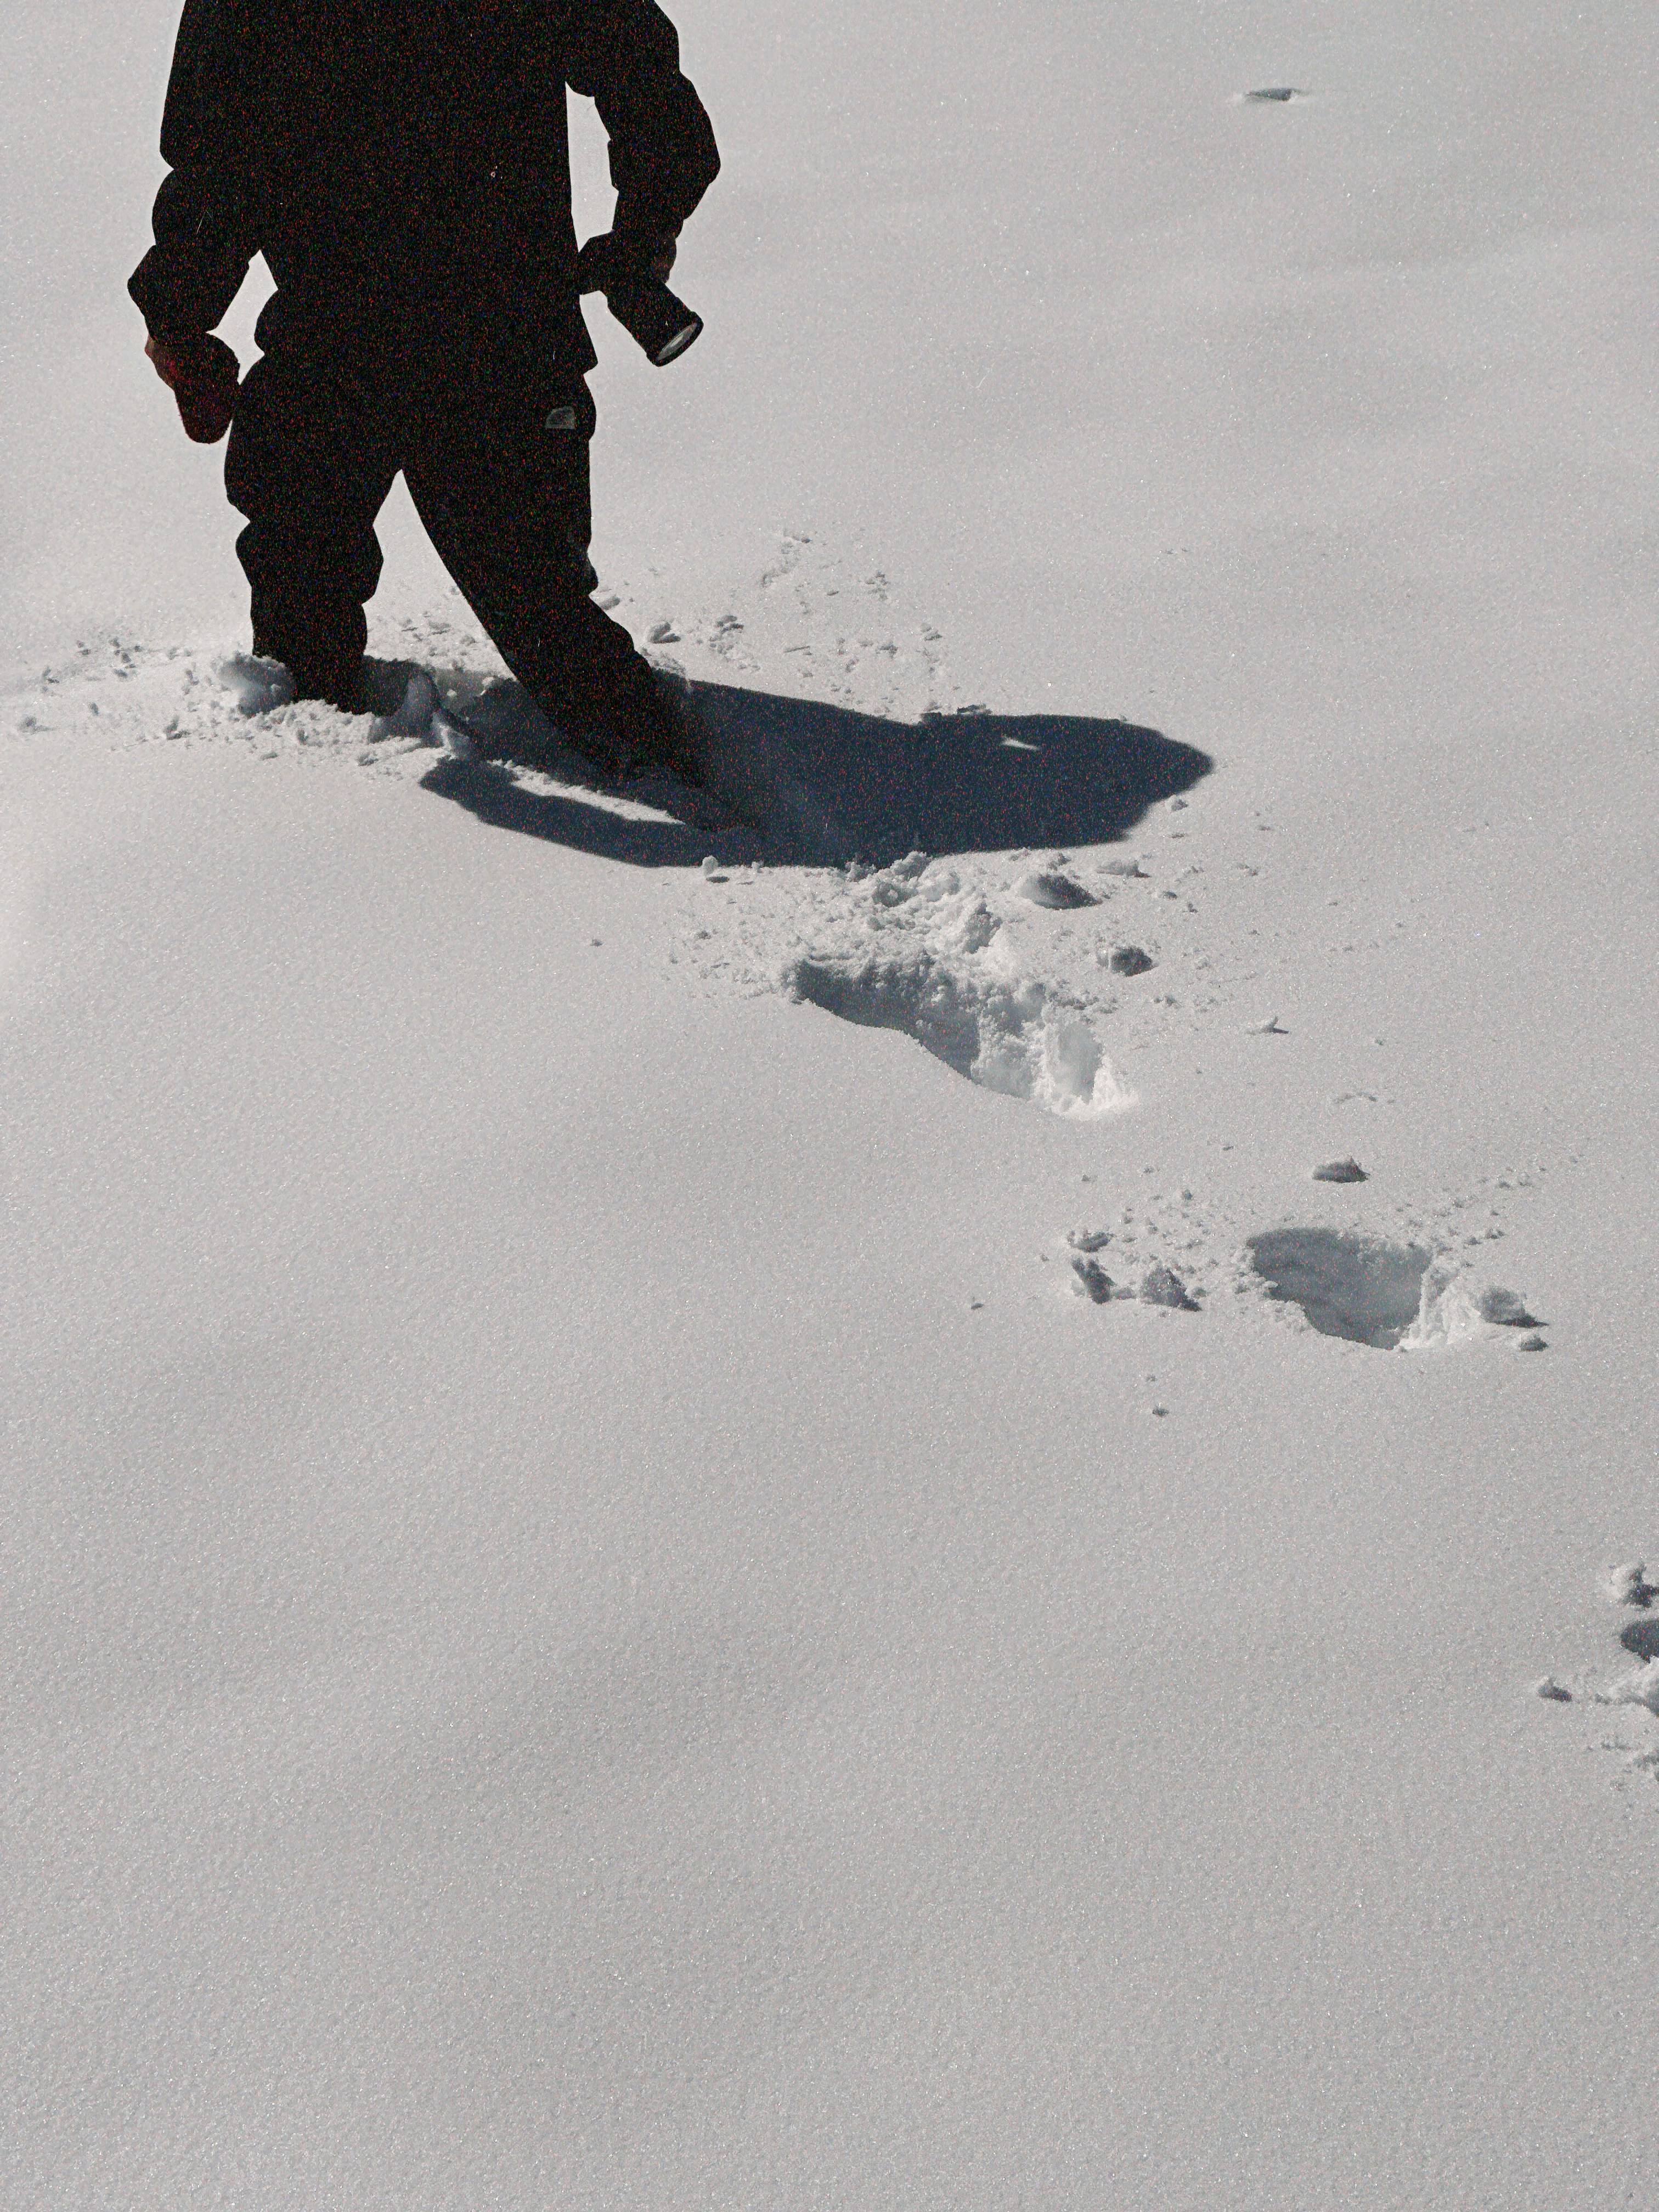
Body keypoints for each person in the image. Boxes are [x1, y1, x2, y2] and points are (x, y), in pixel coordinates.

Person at [129, 0, 720, 776]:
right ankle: (690, 787)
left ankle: (302, 822)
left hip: (342, 335)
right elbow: (645, 82)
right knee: (543, 616)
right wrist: (646, 232)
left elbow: (215, 160)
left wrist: (179, 324)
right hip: (495, 331)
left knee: (308, 623)